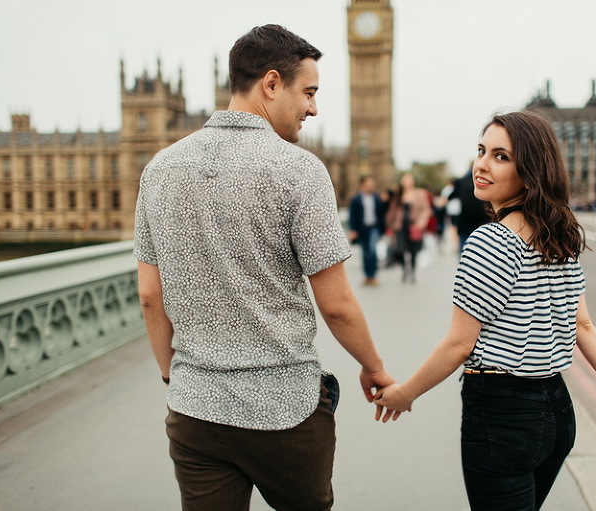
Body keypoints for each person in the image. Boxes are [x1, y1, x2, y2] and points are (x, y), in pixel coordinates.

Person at [134, 25, 395, 511]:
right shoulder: (300, 170)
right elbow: (336, 306)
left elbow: (150, 295)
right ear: (271, 84)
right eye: (309, 93)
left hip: (196, 412)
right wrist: (374, 367)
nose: (314, 109)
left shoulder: (160, 169)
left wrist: (178, 379)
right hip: (285, 410)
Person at [374, 110, 596, 510]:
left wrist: (405, 393)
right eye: (481, 150)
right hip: (557, 411)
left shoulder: (490, 242)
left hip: (502, 418)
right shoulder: (560, 235)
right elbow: (585, 327)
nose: (482, 164)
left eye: (501, 156)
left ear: (530, 170)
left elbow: (458, 344)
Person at [384, 172, 432, 283]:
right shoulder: (399, 194)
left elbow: (426, 209)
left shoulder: (419, 193)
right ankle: (405, 269)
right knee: (399, 250)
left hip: (413, 226)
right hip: (400, 226)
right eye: (405, 179)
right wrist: (389, 223)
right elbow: (392, 210)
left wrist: (421, 222)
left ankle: (413, 273)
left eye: (409, 179)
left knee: (413, 250)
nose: (407, 181)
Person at [348, 175, 386, 286]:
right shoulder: (356, 199)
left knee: (372, 250)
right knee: (365, 253)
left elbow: (382, 213)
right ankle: (367, 276)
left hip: (374, 228)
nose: (372, 184)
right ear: (362, 184)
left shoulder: (377, 198)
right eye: (369, 182)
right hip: (362, 229)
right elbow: (353, 216)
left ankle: (373, 275)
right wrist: (353, 230)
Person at [451, 167, 490, 252]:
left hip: (465, 223)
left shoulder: (460, 182)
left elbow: (451, 197)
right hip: (483, 221)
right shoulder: (488, 181)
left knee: (464, 253)